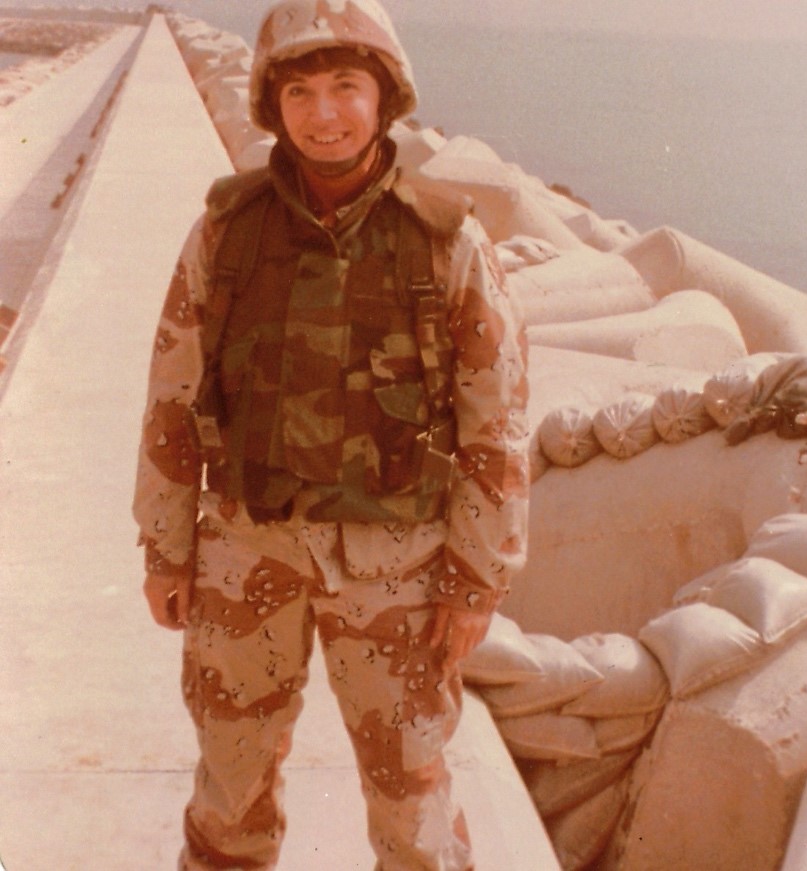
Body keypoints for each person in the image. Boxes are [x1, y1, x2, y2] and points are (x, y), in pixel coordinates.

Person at [132, 1, 530, 868]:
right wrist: (165, 548)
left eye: (346, 87)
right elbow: (171, 395)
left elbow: (494, 424)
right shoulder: (227, 232)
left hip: (400, 574)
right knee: (229, 785)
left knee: (411, 804)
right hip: (245, 554)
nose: (324, 114)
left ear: (385, 99)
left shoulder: (445, 239)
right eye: (301, 92)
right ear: (273, 108)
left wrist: (476, 579)